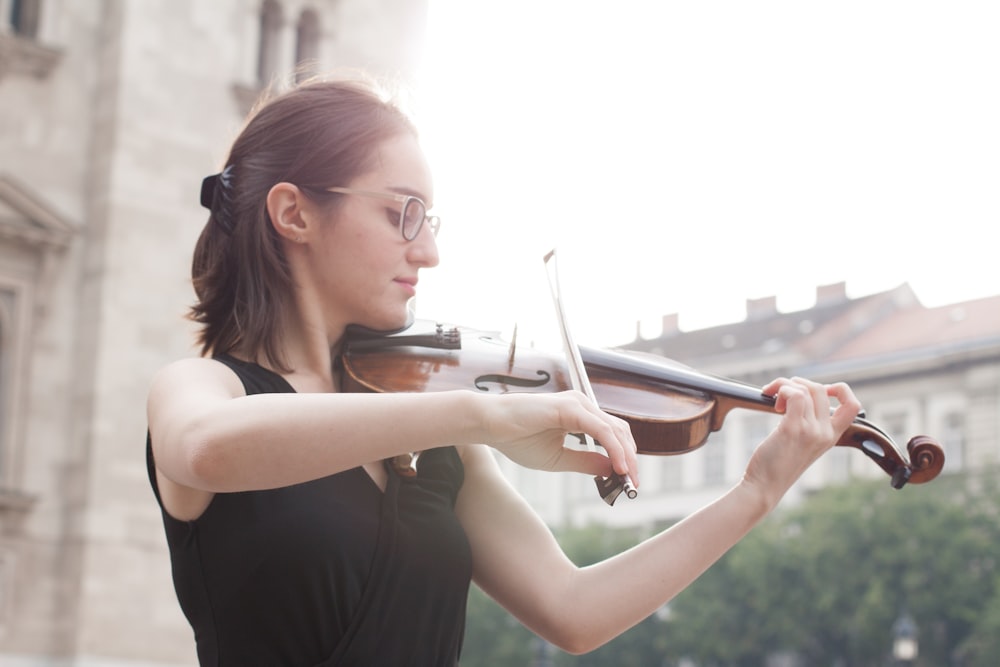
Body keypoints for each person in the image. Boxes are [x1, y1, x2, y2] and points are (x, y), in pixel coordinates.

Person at [146, 75, 862, 666]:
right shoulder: (205, 390)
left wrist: (758, 490)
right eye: (404, 214)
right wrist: (482, 414)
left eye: (432, 221)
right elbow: (206, 446)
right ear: (294, 213)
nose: (428, 252)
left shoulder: (431, 438)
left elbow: (576, 612)